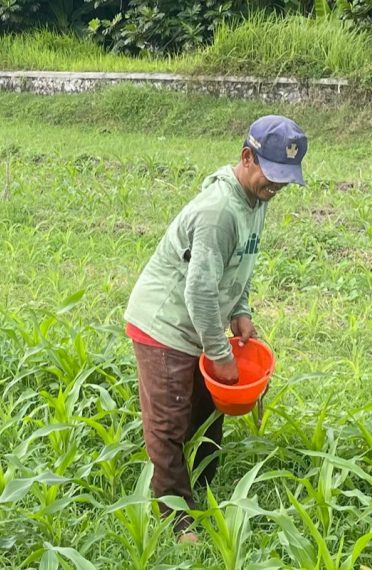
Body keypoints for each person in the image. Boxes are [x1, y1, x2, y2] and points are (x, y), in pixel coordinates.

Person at [123, 115, 307, 541]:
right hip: (164, 325)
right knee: (169, 423)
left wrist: (241, 309)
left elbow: (237, 266)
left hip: (199, 324)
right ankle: (175, 515)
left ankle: (203, 487)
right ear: (247, 157)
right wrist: (221, 356)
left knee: (207, 417)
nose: (276, 187)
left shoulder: (255, 202)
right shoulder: (218, 211)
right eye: (271, 175)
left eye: (285, 178)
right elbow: (199, 293)